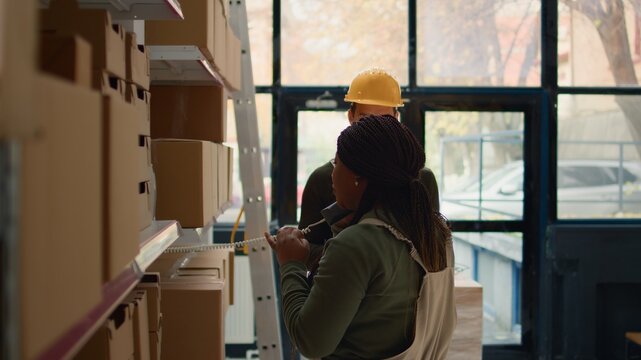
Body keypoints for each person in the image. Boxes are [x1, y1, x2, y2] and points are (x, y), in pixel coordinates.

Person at [265, 115, 456, 359]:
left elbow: (311, 341)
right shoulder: (437, 233)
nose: (332, 175)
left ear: (358, 178)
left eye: (336, 164)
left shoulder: (356, 244)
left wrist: (291, 264)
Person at [299, 68, 440, 254]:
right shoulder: (323, 179)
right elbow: (305, 248)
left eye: (384, 119)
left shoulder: (420, 179)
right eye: (366, 119)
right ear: (351, 117)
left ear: (396, 119)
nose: (375, 128)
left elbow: (434, 248)